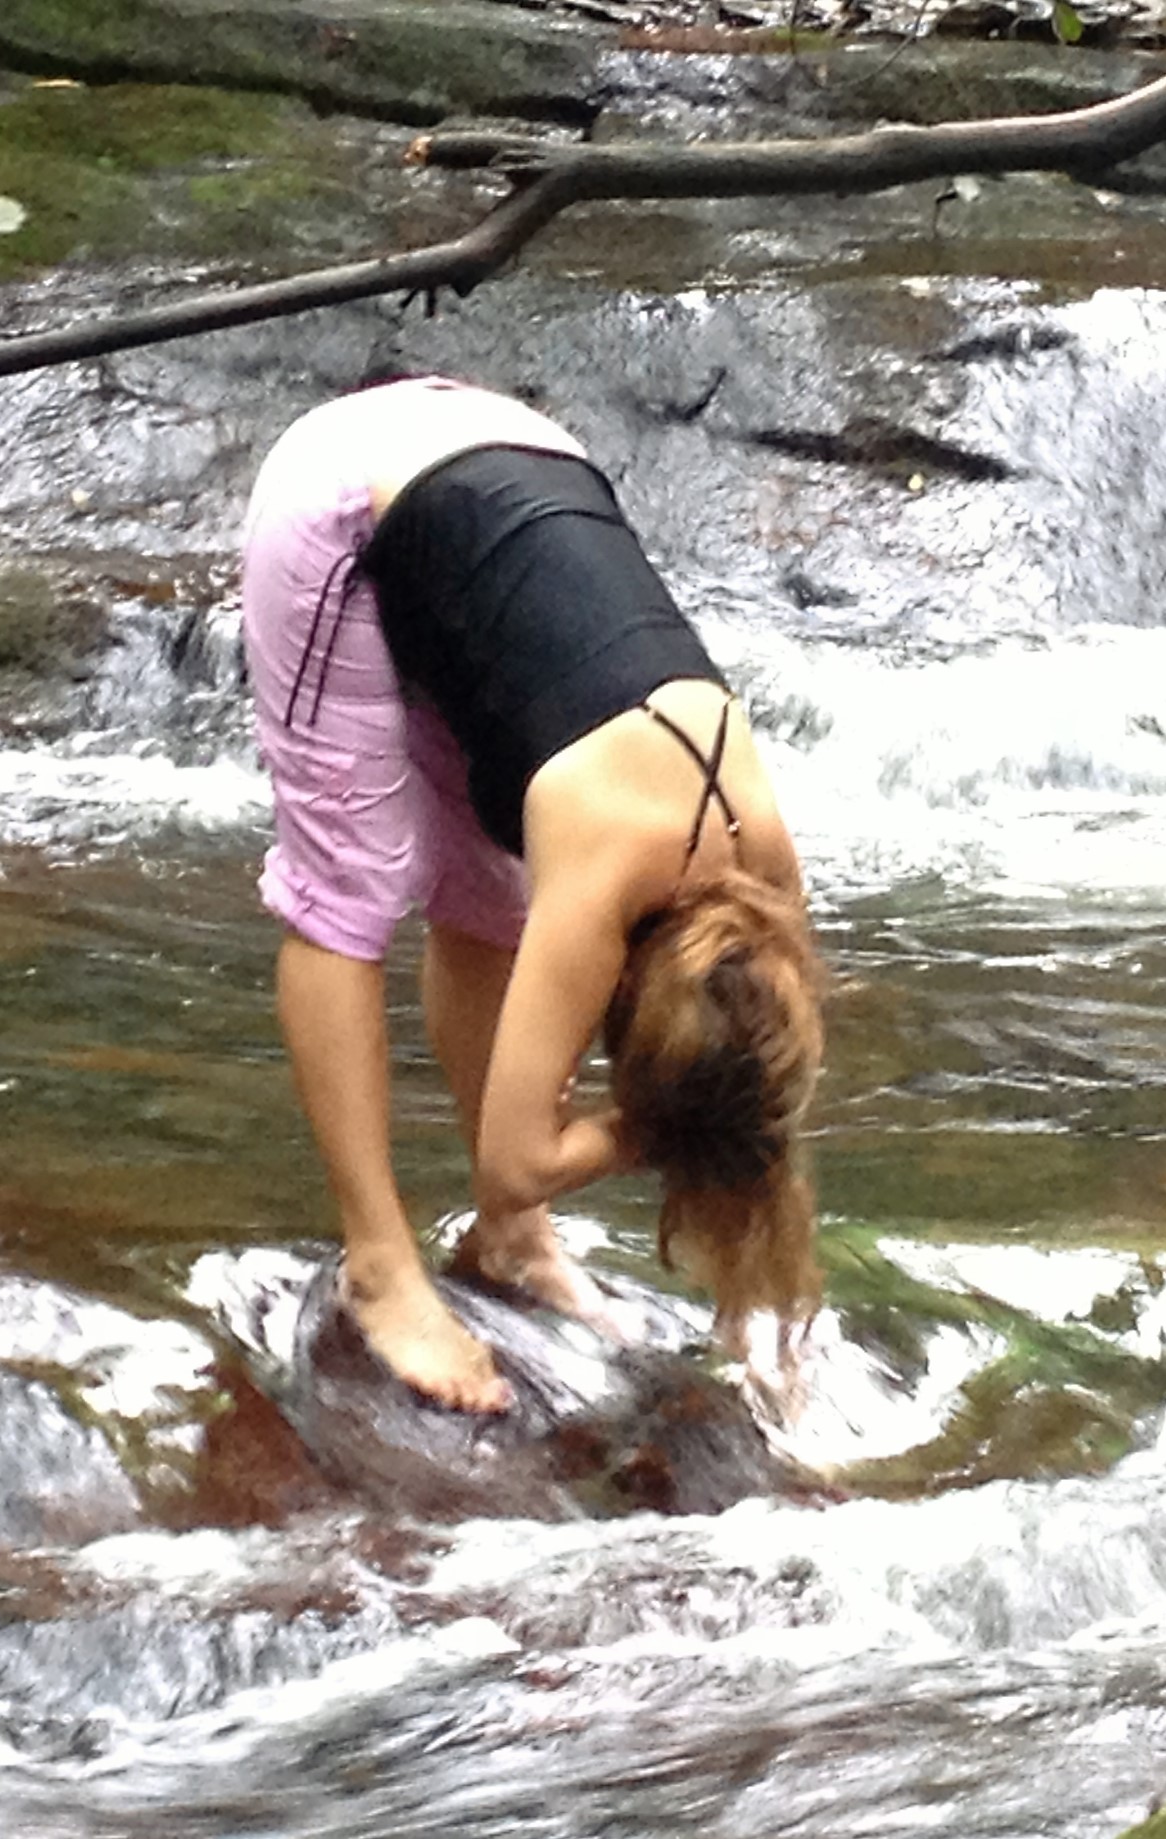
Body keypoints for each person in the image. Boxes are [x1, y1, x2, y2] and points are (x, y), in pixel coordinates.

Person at [239, 375, 825, 1414]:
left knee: (483, 902)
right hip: (349, 493)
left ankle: (514, 1254)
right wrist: (658, 1129)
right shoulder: (605, 877)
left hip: (516, 456)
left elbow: (765, 1103)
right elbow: (521, 1157)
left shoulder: (768, 879)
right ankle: (380, 1265)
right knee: (348, 894)